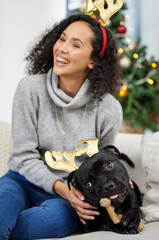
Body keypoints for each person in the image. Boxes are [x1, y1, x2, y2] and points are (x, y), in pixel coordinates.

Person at [0, 13, 123, 239]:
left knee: (55, 220)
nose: (62, 48)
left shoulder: (109, 109)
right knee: (3, 206)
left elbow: (105, 163)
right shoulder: (29, 89)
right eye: (62, 39)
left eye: (75, 44)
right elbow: (23, 157)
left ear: (93, 60)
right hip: (22, 180)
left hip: (70, 195)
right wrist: (60, 187)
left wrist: (75, 194)